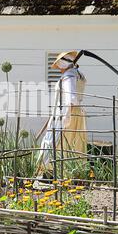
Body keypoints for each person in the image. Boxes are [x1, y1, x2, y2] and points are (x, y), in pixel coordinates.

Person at [34, 51, 88, 183]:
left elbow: (71, 98)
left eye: (59, 65)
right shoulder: (78, 75)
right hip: (76, 113)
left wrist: (66, 117)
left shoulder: (68, 76)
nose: (59, 69)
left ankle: (49, 174)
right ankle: (72, 174)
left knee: (54, 142)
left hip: (66, 112)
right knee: (72, 143)